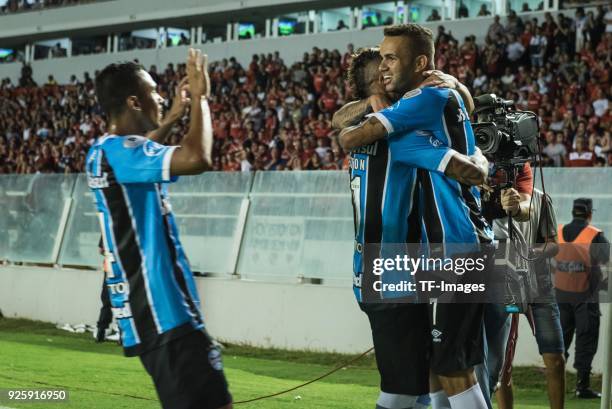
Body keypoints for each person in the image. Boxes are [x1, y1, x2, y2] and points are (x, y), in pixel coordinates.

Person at [339, 24, 493, 409]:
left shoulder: (370, 128)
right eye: (384, 65)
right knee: (425, 380)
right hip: (403, 271)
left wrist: (452, 89)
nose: (389, 69)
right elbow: (468, 161)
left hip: (382, 267)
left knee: (435, 373)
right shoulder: (402, 136)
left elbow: (343, 129)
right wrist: (481, 162)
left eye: (393, 59)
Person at [86, 49, 232, 409]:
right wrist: (200, 99)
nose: (161, 96)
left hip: (148, 313)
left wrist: (171, 118)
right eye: (153, 91)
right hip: (164, 309)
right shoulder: (122, 152)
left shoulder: (101, 151)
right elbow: (197, 158)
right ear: (133, 100)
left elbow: (144, 147)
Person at [497, 188, 566, 409]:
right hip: (502, 287)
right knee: (503, 365)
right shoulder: (486, 193)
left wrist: (531, 253)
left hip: (539, 288)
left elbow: (553, 244)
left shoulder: (541, 197)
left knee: (555, 360)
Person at [555, 198, 610, 399]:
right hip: (586, 298)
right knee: (586, 341)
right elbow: (607, 263)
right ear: (589, 214)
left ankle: (555, 383)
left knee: (560, 343)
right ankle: (582, 386)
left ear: (573, 212)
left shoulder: (558, 232)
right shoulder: (595, 235)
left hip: (560, 297)